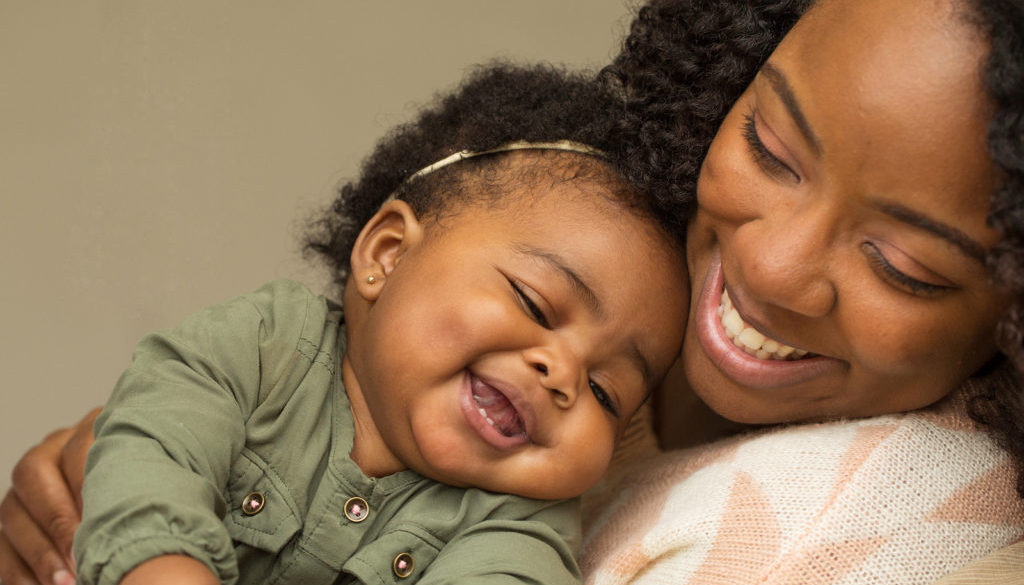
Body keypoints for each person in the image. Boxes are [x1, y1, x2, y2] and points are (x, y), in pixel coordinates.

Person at [4, 0, 1024, 582]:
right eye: (767, 143)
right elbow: (165, 436)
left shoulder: (920, 513)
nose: (769, 266)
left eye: (905, 266)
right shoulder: (600, 256)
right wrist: (117, 495)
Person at [31, 63, 692, 585]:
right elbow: (154, 448)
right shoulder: (265, 346)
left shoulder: (519, 519)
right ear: (388, 254)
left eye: (608, 394)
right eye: (537, 304)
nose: (564, 373)